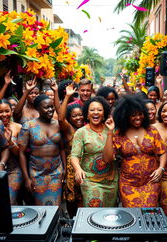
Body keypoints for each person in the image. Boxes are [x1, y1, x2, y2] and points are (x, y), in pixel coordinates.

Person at [103, 95, 167, 207]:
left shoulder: (152, 130)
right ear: (125, 116)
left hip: (150, 182)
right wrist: (110, 132)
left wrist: (161, 168)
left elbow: (162, 152)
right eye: (133, 115)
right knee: (132, 217)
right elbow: (107, 159)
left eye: (140, 114)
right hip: (128, 185)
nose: (138, 117)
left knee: (149, 214)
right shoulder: (119, 134)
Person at [18, 94, 66, 206]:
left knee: (56, 205)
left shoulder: (59, 124)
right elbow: (21, 153)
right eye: (46, 107)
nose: (50, 110)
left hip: (56, 171)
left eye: (52, 107)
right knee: (41, 206)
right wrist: (26, 178)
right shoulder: (28, 126)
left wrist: (64, 168)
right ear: (37, 108)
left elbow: (62, 148)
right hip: (37, 172)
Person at [71, 96, 118, 207]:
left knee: (109, 215)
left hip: (111, 181)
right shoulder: (81, 132)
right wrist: (78, 169)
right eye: (92, 110)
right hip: (90, 181)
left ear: (104, 113)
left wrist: (111, 131)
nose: (95, 112)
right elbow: (74, 155)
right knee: (94, 211)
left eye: (99, 110)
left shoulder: (112, 129)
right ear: (87, 114)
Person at [58, 83, 84, 217]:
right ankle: (73, 222)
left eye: (80, 115)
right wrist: (68, 96)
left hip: (85, 168)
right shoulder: (69, 130)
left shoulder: (87, 129)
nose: (78, 118)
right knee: (71, 199)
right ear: (70, 118)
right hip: (72, 168)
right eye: (75, 116)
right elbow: (60, 118)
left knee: (84, 199)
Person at [0, 99, 22, 204]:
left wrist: (10, 141)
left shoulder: (18, 127)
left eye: (7, 111)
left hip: (14, 171)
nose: (4, 114)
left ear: (11, 111)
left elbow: (20, 155)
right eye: (0, 112)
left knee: (8, 200)